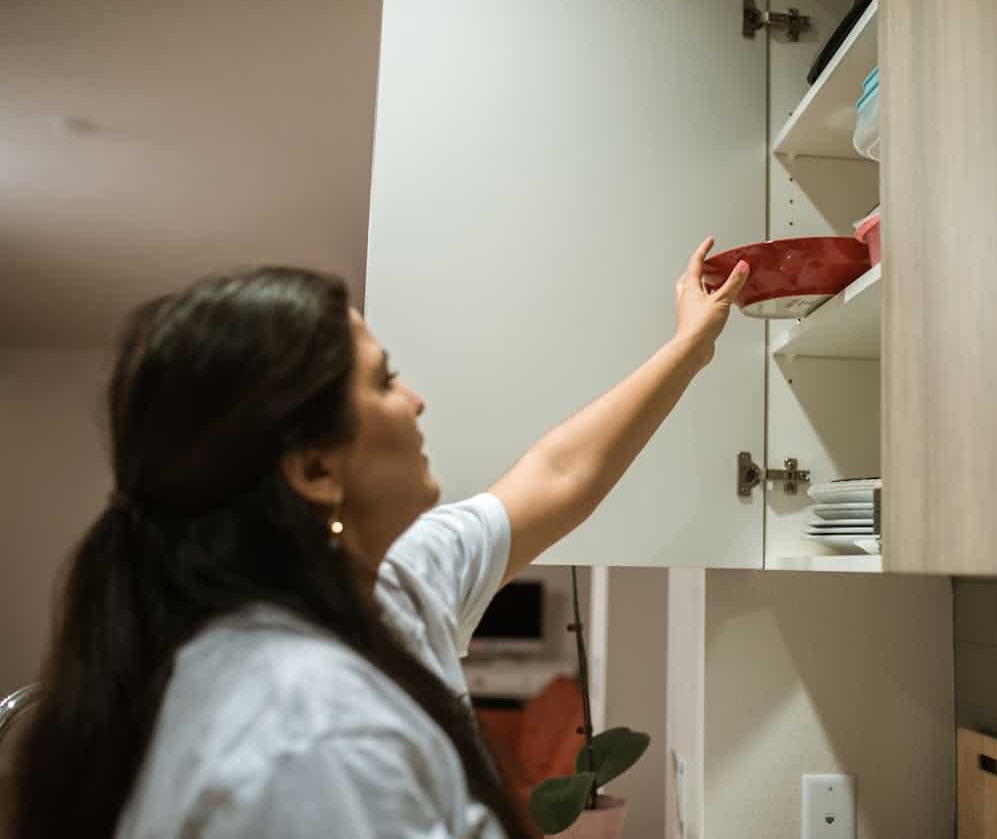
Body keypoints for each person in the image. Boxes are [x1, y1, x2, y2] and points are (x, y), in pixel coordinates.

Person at [12, 240, 750, 838]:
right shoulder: (309, 740)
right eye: (385, 380)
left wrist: (691, 344)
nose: (416, 398)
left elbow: (559, 475)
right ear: (315, 466)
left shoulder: (393, 575)